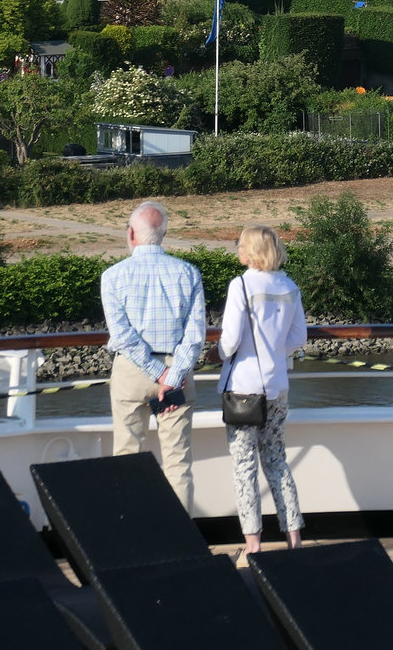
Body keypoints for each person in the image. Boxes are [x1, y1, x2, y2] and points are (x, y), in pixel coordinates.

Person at [101, 200, 207, 513]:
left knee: (128, 459)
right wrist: (171, 376)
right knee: (178, 464)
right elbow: (195, 334)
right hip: (178, 372)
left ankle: (134, 542)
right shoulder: (188, 273)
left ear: (132, 233)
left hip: (132, 374)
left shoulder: (113, 276)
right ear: (163, 234)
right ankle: (181, 548)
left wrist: (155, 372)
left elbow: (122, 336)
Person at [218, 224, 308, 562]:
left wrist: (218, 354)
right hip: (277, 387)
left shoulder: (240, 285)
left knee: (244, 466)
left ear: (250, 251)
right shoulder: (289, 286)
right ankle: (294, 537)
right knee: (276, 460)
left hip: (243, 388)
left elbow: (228, 341)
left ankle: (253, 543)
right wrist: (274, 352)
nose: (237, 250)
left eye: (240, 244)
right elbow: (299, 338)